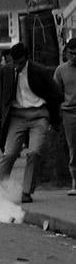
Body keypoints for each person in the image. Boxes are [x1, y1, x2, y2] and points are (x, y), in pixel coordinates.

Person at [0, 41, 61, 203]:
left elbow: (54, 94)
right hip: (17, 116)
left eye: (20, 63)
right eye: (14, 62)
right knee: (9, 154)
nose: (16, 66)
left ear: (26, 58)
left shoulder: (39, 71)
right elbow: (1, 96)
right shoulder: (6, 71)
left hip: (39, 115)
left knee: (34, 152)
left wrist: (54, 120)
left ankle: (26, 191)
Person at [53, 40, 76, 196]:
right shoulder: (61, 70)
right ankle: (75, 181)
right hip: (69, 112)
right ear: (67, 53)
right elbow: (56, 93)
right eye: (71, 53)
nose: (74, 56)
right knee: (73, 148)